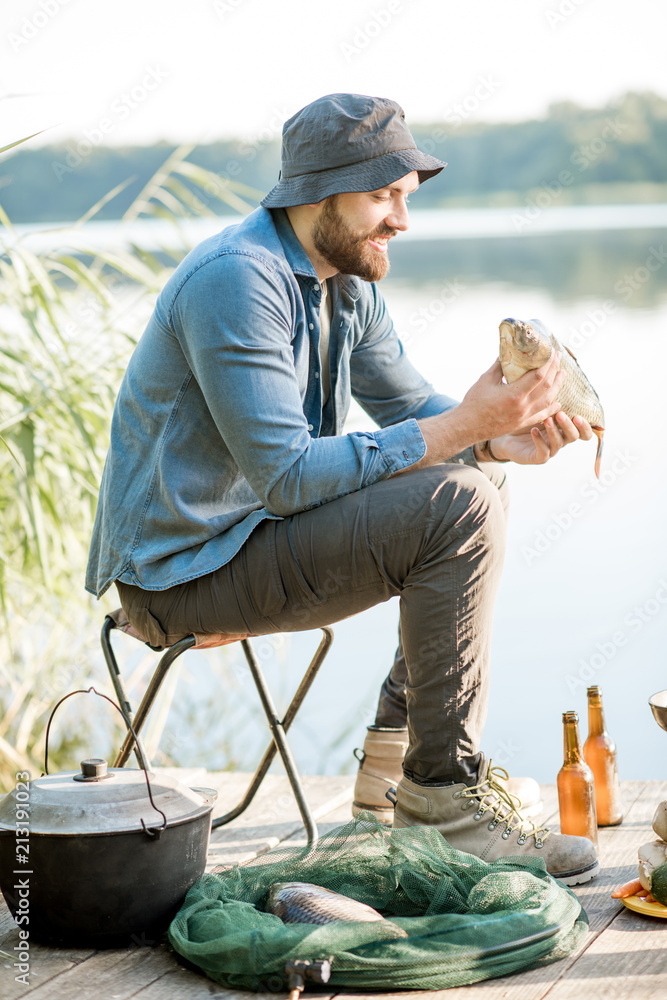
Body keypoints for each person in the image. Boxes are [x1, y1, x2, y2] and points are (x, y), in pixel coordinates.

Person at [86, 93, 599, 885]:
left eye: (405, 197)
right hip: (178, 578)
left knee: (474, 473)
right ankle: (446, 804)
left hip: (244, 547)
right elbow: (288, 477)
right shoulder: (238, 281)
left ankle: (391, 775)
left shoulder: (345, 284)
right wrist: (465, 428)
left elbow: (420, 413)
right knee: (456, 501)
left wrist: (503, 435)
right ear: (317, 197)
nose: (401, 220)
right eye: (381, 197)